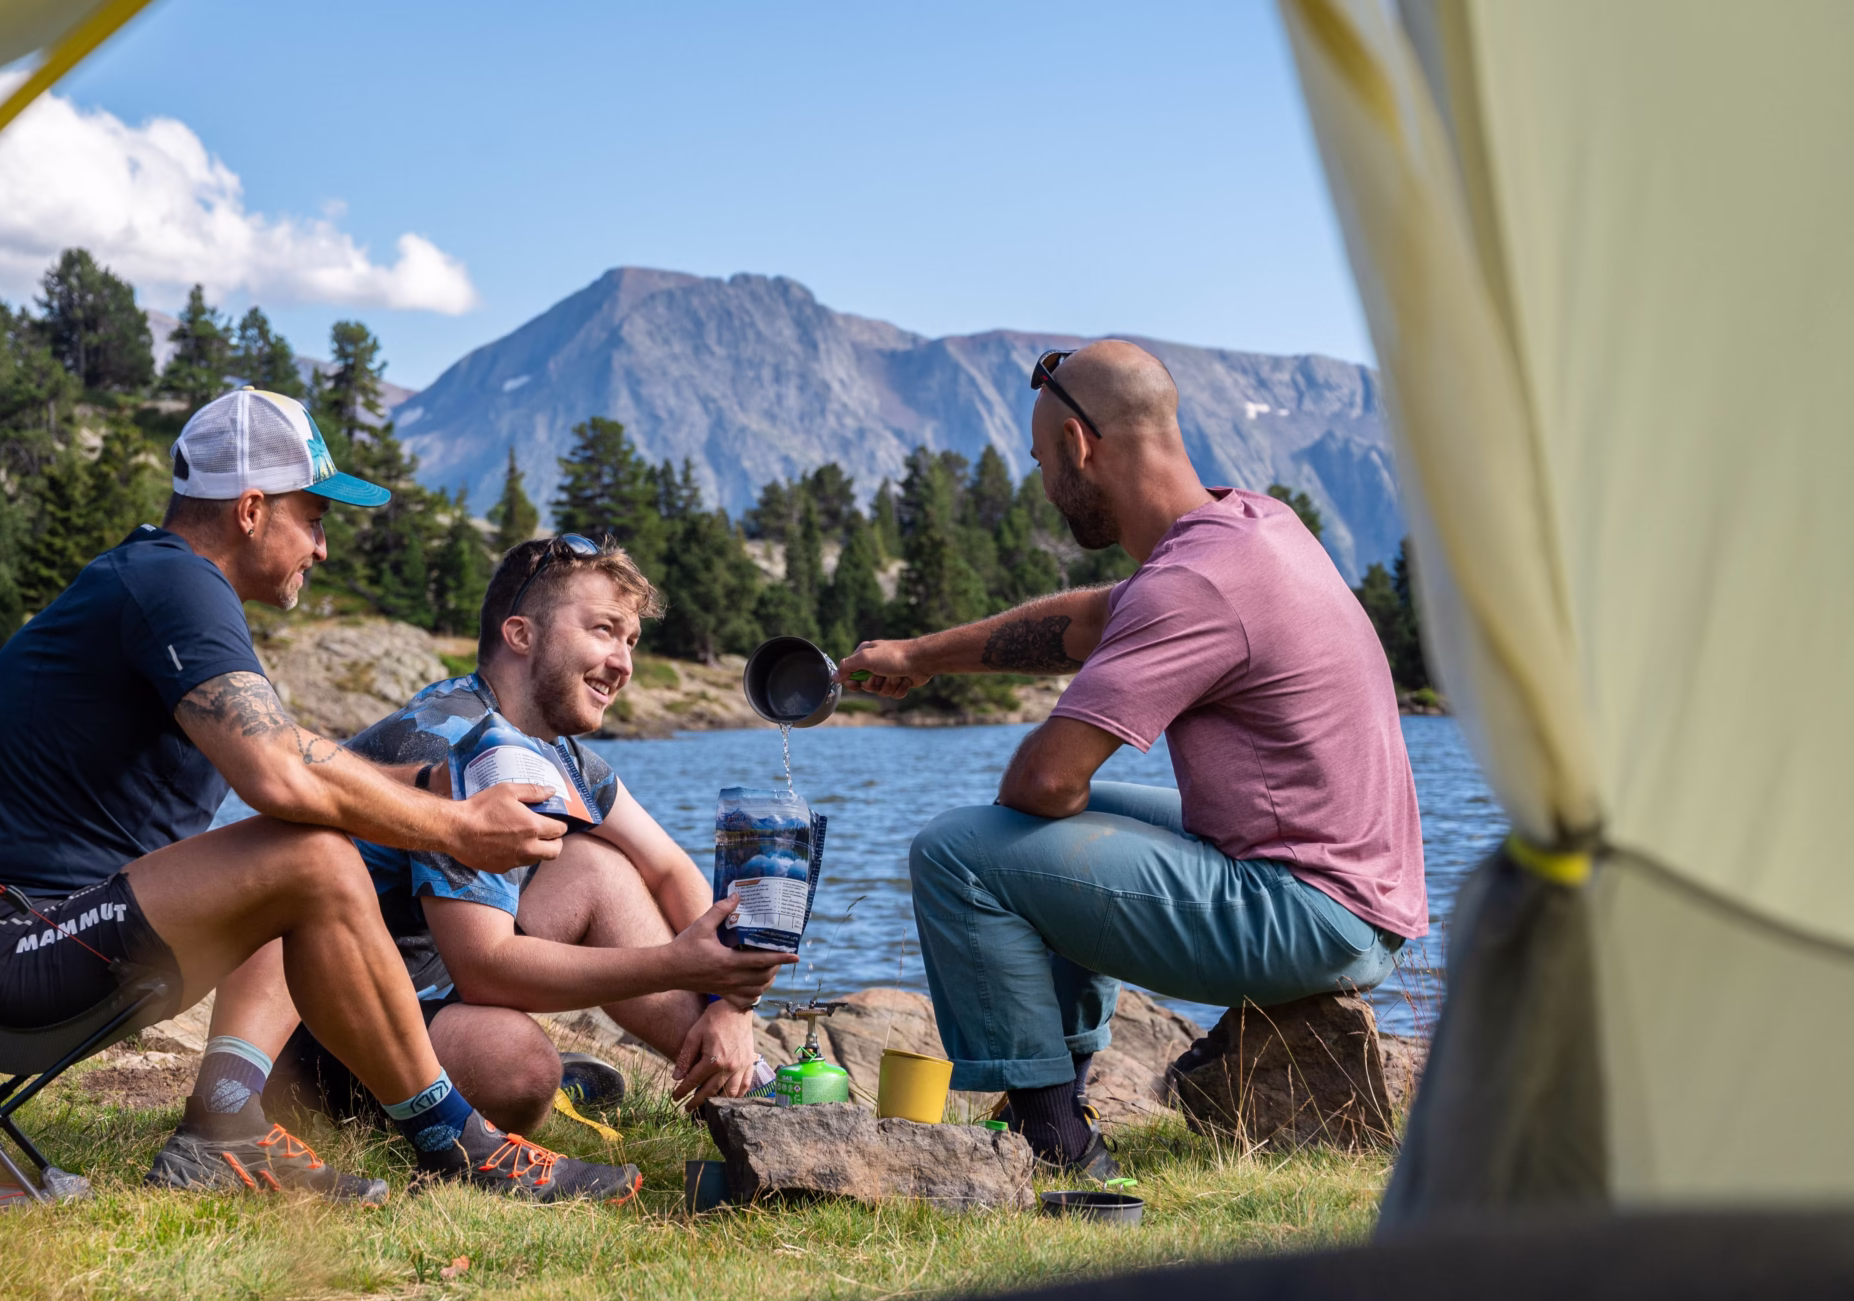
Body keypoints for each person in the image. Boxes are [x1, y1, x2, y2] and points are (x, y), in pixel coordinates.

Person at [0, 387, 643, 1205]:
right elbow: (278, 773)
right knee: (311, 851)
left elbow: (297, 753)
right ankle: (457, 1145)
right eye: (313, 518)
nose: (322, 548)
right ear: (252, 509)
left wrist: (429, 783)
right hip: (4, 947)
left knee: (308, 835)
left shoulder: (162, 581)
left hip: (37, 927)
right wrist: (457, 825)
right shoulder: (172, 585)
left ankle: (225, 1121)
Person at [837, 341, 1427, 1177]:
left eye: (1044, 461)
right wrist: (919, 654)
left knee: (961, 852)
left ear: (1080, 447)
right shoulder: (1253, 527)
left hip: (1310, 914)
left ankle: (1054, 1143)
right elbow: (1084, 623)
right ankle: (1061, 1083)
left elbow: (1044, 781)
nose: (1045, 485)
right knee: (1075, 824)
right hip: (1356, 895)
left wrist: (1035, 798)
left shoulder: (1195, 584)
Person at [240, 536, 784, 1138]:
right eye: (603, 630)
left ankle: (744, 1093)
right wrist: (674, 964)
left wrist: (730, 1007)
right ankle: (712, 1102)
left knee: (598, 869)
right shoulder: (455, 740)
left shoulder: (555, 751)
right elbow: (485, 970)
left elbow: (668, 867)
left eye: (631, 641)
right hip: (331, 1035)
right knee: (519, 1066)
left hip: (426, 992)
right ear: (521, 634)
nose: (624, 663)